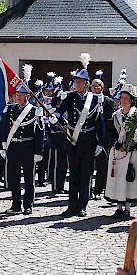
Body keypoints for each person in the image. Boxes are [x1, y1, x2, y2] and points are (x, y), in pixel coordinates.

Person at [53, 53, 104, 218]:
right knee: (73, 173)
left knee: (86, 174)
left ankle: (83, 205)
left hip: (88, 140)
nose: (76, 84)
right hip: (73, 140)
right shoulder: (70, 97)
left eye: (79, 82)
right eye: (75, 82)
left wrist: (100, 143)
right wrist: (56, 116)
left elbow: (99, 123)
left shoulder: (94, 100)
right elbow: (61, 110)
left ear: (86, 84)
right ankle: (71, 205)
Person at [0, 71, 44, 216]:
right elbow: (4, 129)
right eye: (16, 94)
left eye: (21, 94)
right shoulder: (9, 110)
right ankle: (15, 204)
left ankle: (28, 205)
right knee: (13, 177)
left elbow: (39, 132)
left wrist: (38, 151)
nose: (17, 96)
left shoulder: (34, 111)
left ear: (27, 96)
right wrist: (3, 146)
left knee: (29, 178)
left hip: (28, 147)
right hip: (13, 147)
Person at [104, 83, 137, 220]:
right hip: (118, 152)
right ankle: (118, 208)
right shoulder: (115, 116)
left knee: (129, 178)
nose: (123, 100)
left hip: (132, 152)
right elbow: (110, 133)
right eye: (122, 97)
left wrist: (132, 146)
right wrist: (117, 144)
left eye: (126, 98)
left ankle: (127, 208)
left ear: (132, 100)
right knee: (117, 178)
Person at [91, 72, 114, 199]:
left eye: (98, 86)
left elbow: (109, 120)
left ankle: (98, 190)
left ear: (102, 88)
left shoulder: (108, 101)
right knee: (88, 165)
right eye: (94, 86)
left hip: (104, 137)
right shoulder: (86, 100)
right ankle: (87, 189)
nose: (96, 88)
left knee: (102, 165)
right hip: (89, 136)